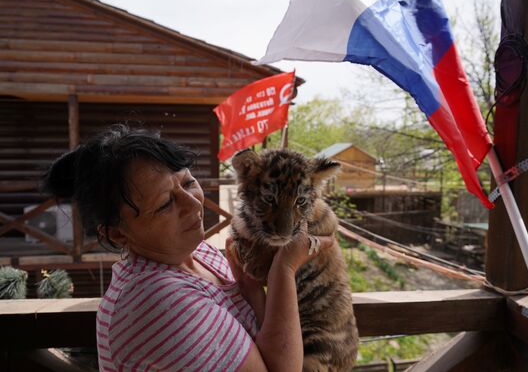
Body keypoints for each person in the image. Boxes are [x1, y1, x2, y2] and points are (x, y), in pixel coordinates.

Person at [43, 124, 334, 371]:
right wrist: (284, 268)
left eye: (188, 182)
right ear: (118, 235)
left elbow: (264, 344)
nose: (194, 203)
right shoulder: (159, 303)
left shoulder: (198, 252)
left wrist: (251, 289)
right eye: (166, 203)